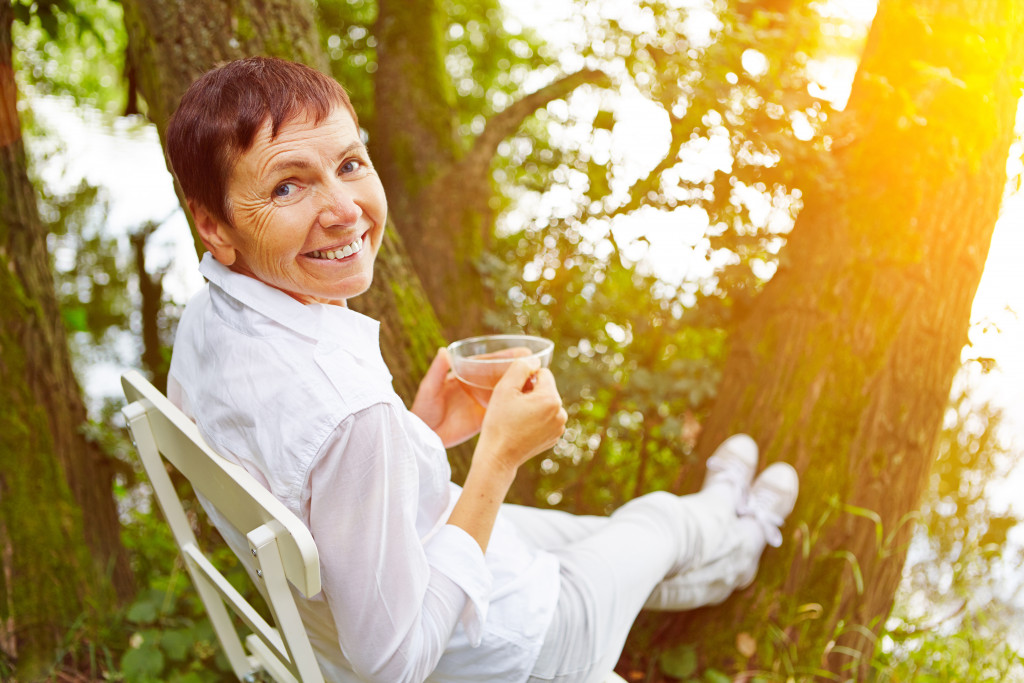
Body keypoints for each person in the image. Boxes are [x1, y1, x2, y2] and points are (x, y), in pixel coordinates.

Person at [164, 56, 799, 683]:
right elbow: (393, 667)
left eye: (350, 164)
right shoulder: (351, 412)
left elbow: (306, 474)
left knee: (604, 535)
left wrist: (418, 435)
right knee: (660, 519)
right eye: (287, 185)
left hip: (405, 568)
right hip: (519, 646)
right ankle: (740, 523)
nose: (344, 210)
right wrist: (497, 455)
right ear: (214, 225)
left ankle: (736, 535)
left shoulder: (207, 320)